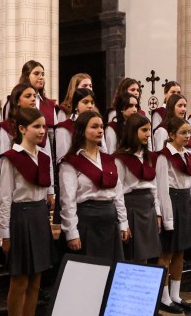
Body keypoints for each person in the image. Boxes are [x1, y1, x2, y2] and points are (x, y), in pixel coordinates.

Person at [0, 106, 53, 316]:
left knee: (36, 278)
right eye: (36, 126)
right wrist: (5, 233)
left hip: (40, 217)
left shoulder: (44, 157)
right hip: (20, 218)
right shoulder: (10, 158)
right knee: (19, 280)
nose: (42, 131)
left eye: (43, 126)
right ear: (22, 129)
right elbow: (5, 198)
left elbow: (48, 190)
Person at [60, 111, 129, 260]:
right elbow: (68, 200)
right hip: (87, 221)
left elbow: (118, 194)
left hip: (110, 220)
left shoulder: (108, 159)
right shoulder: (71, 162)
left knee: (112, 270)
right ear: (82, 131)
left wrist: (123, 222)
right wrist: (71, 232)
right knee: (89, 272)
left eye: (101, 127)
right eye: (94, 127)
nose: (100, 130)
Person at [155, 116, 191, 314]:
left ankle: (175, 294)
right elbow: (162, 188)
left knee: (180, 251)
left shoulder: (188, 155)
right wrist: (166, 216)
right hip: (171, 202)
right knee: (167, 252)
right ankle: (163, 297)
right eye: (183, 133)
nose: (187, 136)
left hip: (184, 203)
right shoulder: (163, 156)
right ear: (171, 135)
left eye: (189, 132)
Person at [113, 113, 162, 264]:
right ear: (133, 131)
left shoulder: (148, 156)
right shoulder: (120, 158)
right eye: (144, 130)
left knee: (145, 255)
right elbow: (118, 192)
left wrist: (158, 212)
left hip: (148, 208)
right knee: (131, 256)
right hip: (131, 208)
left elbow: (154, 187)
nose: (148, 134)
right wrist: (123, 222)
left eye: (149, 130)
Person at [54, 87, 99, 161]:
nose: (90, 106)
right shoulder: (64, 128)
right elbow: (63, 158)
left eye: (92, 102)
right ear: (76, 105)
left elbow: (103, 150)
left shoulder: (98, 125)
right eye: (85, 102)